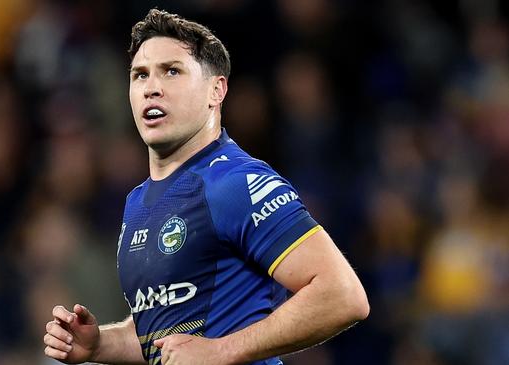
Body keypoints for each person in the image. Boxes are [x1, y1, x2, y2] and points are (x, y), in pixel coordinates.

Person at [43, 9, 369, 365]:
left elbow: (343, 295)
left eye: (172, 71)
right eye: (140, 75)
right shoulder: (137, 201)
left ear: (216, 89)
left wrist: (220, 351)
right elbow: (168, 337)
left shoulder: (236, 182)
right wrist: (99, 345)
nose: (152, 87)